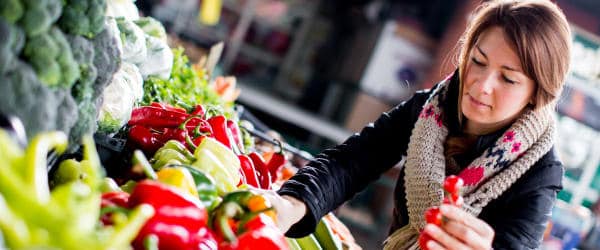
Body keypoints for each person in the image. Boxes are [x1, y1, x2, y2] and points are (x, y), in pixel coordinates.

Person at [255, 0, 572, 249]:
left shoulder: (539, 171)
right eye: (477, 61)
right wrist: (291, 205)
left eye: (508, 78)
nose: (482, 85)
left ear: (536, 95)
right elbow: (351, 162)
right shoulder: (431, 109)